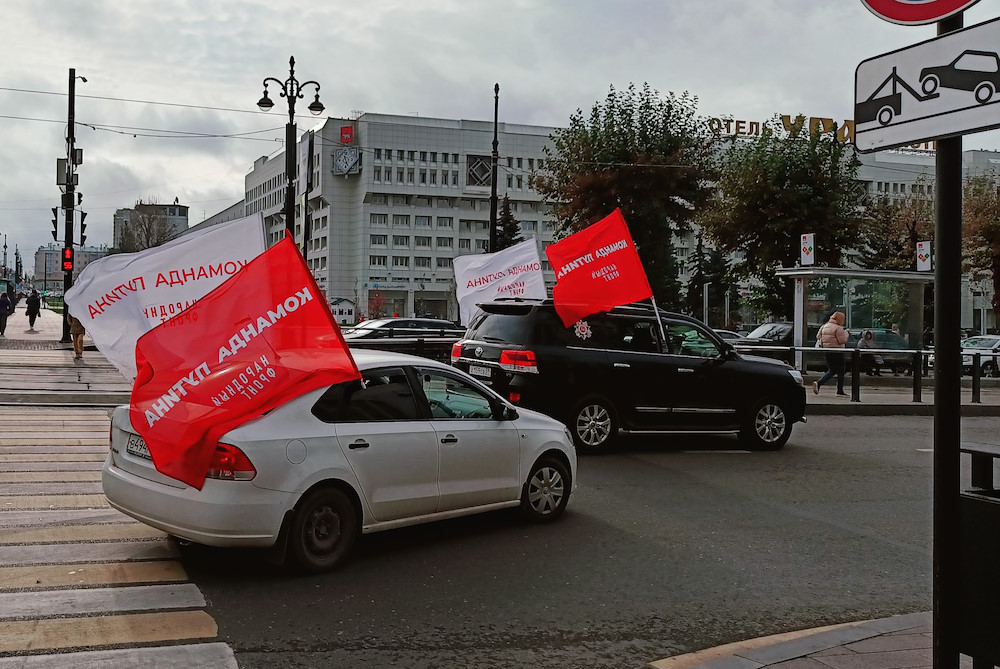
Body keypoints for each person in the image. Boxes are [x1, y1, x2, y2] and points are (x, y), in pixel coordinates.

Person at [813, 311, 849, 396]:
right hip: (838, 352)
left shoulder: (824, 326)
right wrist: (846, 334)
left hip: (827, 351)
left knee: (834, 369)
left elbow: (818, 336)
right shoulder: (838, 328)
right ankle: (820, 383)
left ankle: (839, 389)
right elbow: (842, 340)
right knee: (839, 370)